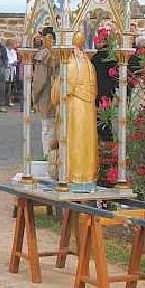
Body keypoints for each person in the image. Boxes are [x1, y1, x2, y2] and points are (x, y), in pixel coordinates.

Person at [50, 31, 99, 189]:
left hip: (75, 109)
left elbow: (57, 93)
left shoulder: (70, 63)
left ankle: (72, 177)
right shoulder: (89, 64)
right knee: (87, 143)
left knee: (74, 141)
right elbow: (95, 90)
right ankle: (88, 177)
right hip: (88, 109)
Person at [32, 28, 59, 175]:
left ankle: (50, 164)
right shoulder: (62, 53)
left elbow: (39, 81)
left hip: (48, 99)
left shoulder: (45, 55)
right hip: (61, 100)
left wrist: (34, 97)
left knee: (48, 131)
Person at [5, 37, 20, 108]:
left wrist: (15, 62)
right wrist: (10, 63)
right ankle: (5, 100)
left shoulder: (13, 51)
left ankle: (10, 100)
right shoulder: (5, 51)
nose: (14, 45)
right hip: (7, 70)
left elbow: (15, 59)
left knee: (11, 86)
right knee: (6, 85)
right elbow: (5, 60)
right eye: (13, 44)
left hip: (13, 70)